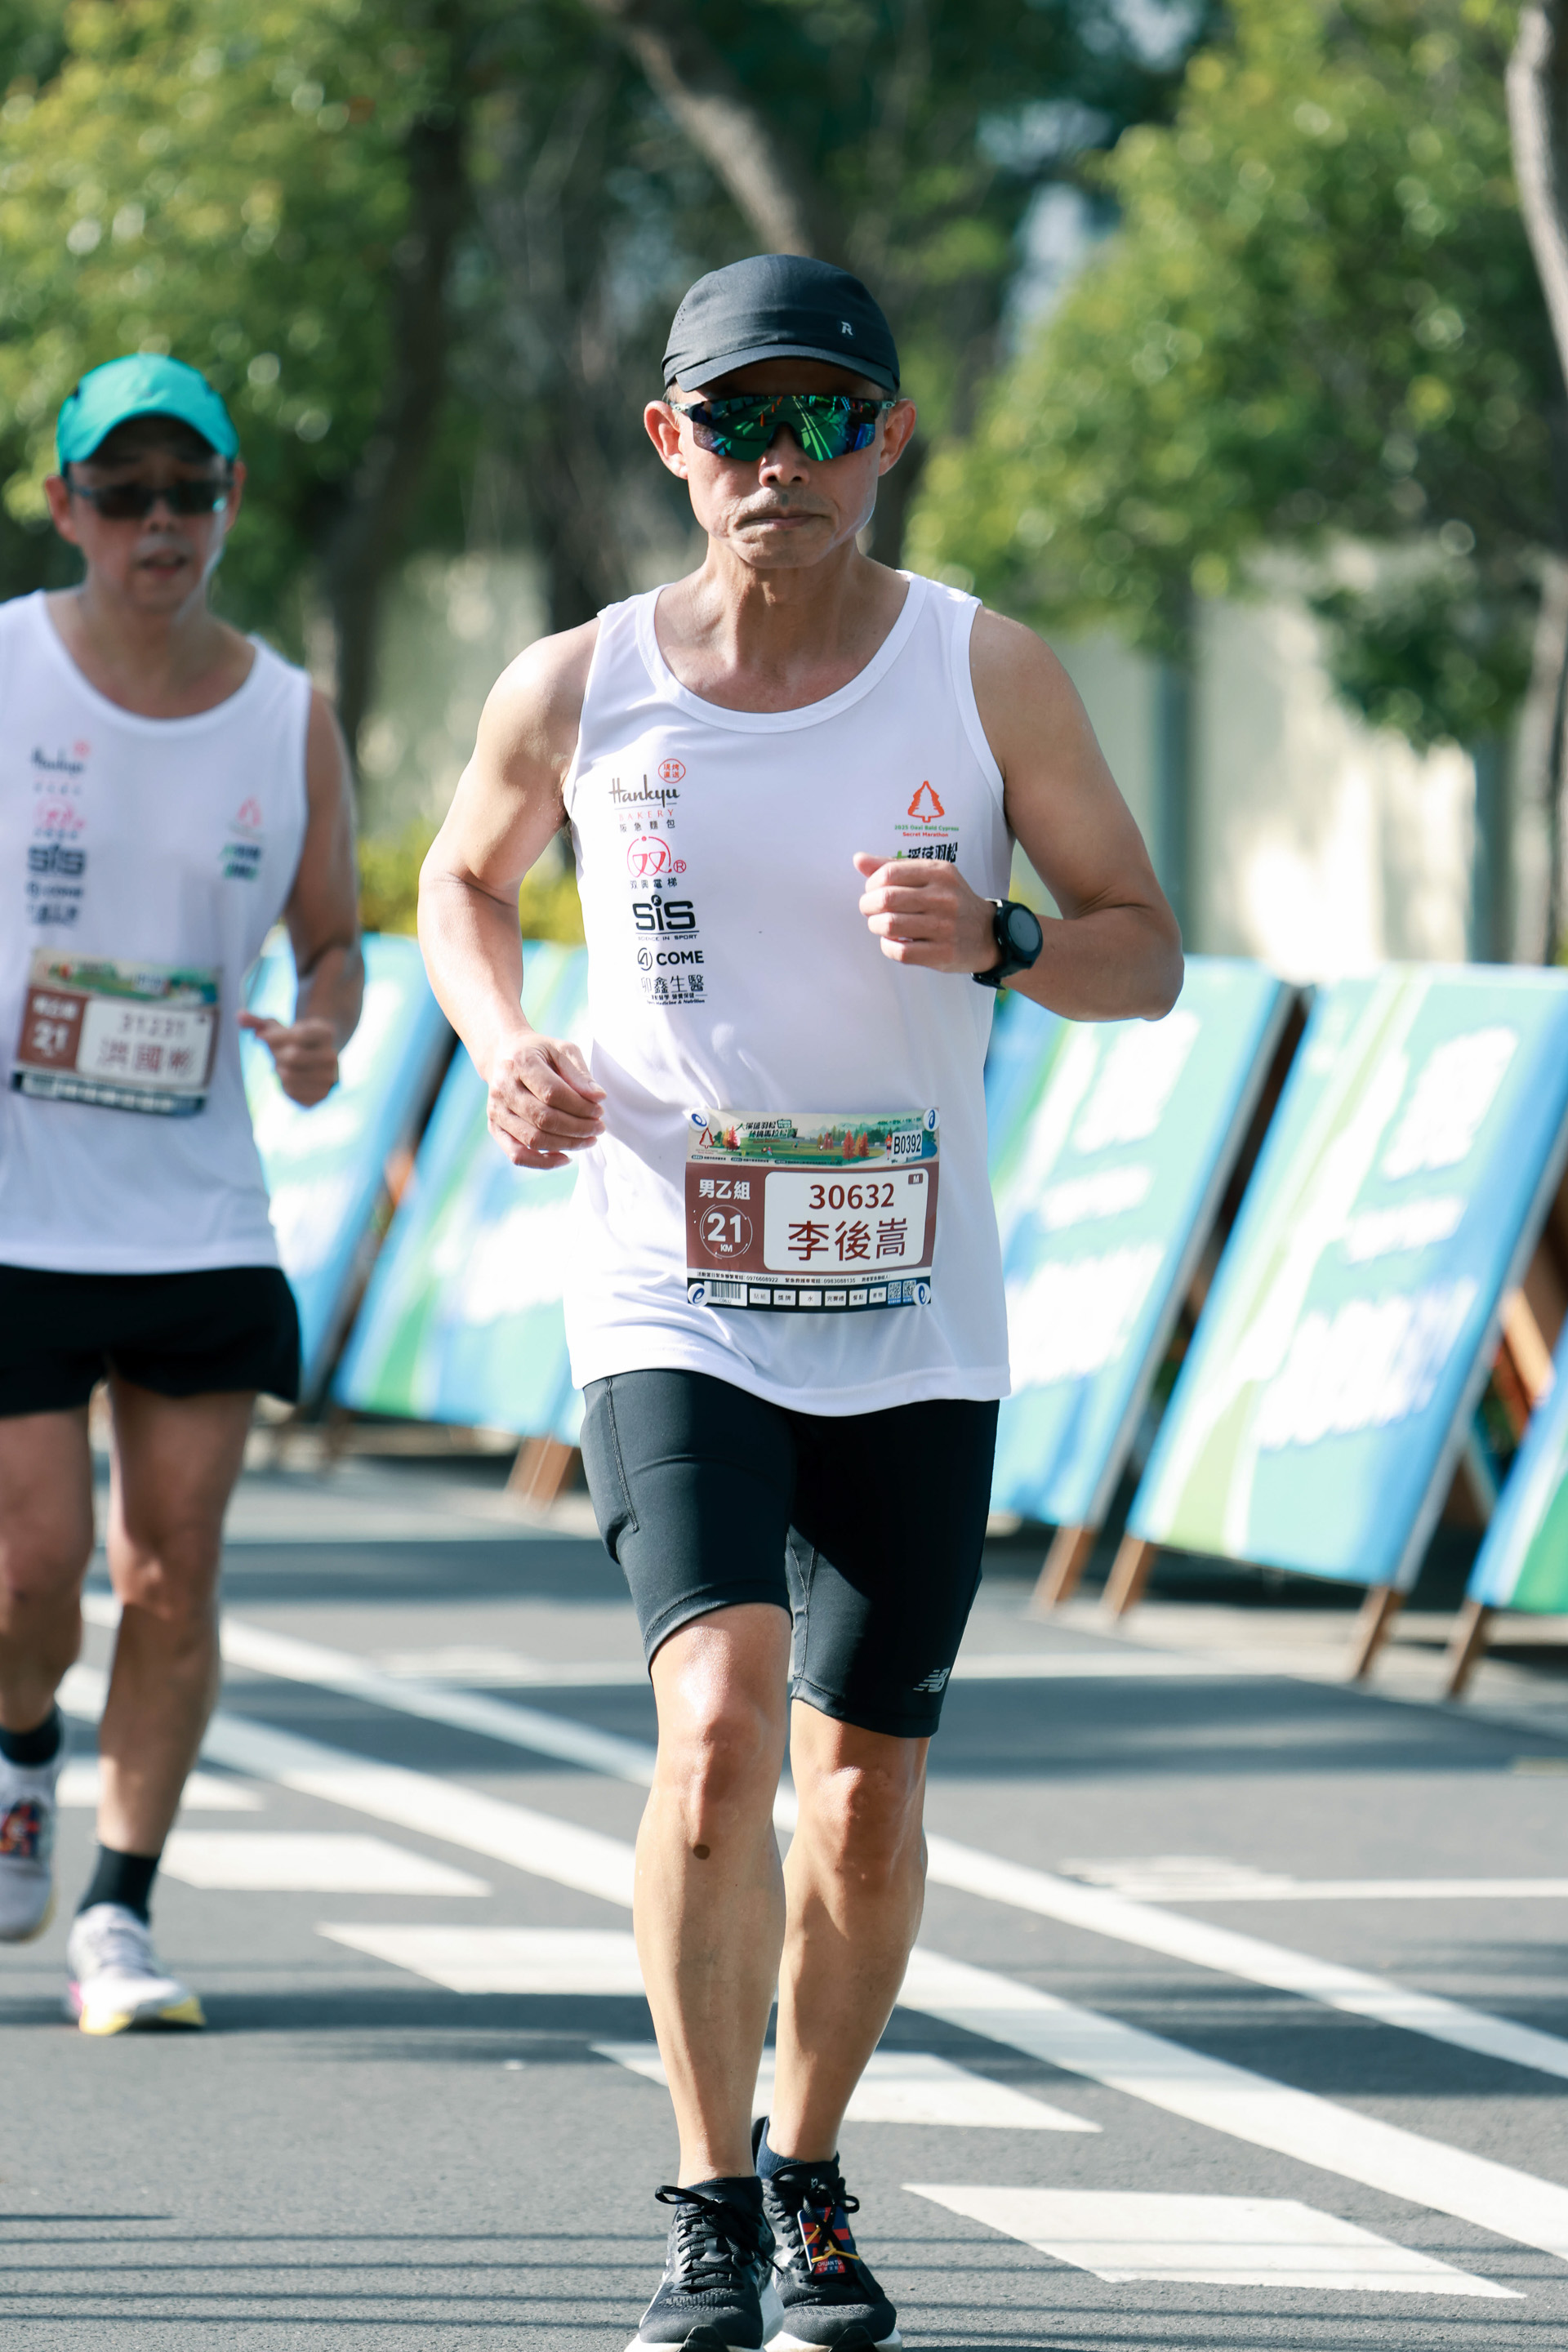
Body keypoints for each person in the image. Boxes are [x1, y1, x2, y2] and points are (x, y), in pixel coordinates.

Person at [419, 255, 1181, 2351]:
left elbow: (1143, 946)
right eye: (740, 424)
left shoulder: (982, 671)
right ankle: (705, 2194)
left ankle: (810, 2165)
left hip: (911, 1307)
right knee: (720, 1720)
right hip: (671, 1285)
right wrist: (504, 1040)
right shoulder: (578, 685)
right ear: (672, 443)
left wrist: (1007, 941)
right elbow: (463, 879)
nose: (786, 463)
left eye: (828, 418)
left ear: (890, 438)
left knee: (863, 1792)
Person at [0, 354, 362, 2034]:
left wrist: (321, 1032)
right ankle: (21, 1754)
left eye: (189, 492)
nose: (160, 524)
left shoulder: (287, 715)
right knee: (30, 1571)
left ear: (229, 503)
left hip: (199, 1207)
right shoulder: (7, 670)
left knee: (174, 1569)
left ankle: (120, 1912)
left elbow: (333, 942)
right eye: (125, 492)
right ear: (64, 505)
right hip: (17, 1206)